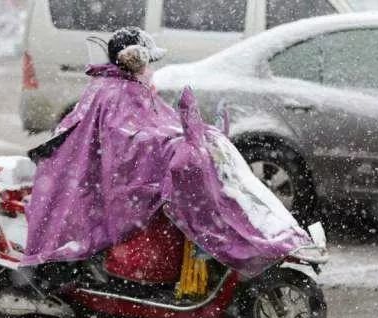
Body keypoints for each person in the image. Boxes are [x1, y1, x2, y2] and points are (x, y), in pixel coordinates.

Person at [21, 27, 313, 287]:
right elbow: (127, 140)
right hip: (101, 184)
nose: (151, 71)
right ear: (135, 61)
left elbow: (157, 123)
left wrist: (198, 135)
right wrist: (172, 145)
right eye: (148, 63)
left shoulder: (127, 87)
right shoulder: (117, 93)